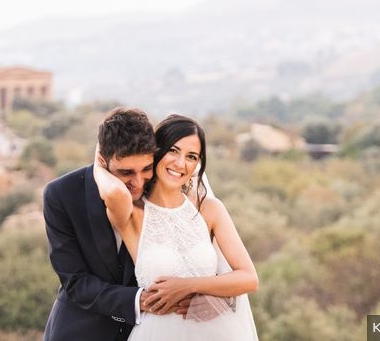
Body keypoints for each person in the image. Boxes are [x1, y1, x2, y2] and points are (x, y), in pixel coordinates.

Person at [94, 113, 260, 340]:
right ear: (156, 151)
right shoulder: (133, 213)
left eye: (191, 156)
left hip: (216, 332)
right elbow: (112, 190)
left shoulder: (209, 209)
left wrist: (188, 286)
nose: (181, 163)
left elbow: (249, 278)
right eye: (173, 150)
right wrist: (100, 158)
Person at [43, 107, 164, 341]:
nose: (138, 183)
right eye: (126, 172)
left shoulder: (161, 194)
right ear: (102, 161)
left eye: (146, 169)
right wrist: (138, 300)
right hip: (77, 332)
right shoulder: (61, 194)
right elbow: (75, 281)